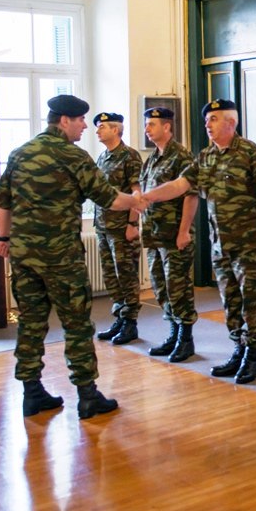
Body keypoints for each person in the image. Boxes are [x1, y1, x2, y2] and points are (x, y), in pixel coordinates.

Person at [0, 95, 142, 418]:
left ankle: (31, 392)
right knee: (76, 324)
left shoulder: (21, 153)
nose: (85, 126)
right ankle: (87, 395)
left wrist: (4, 238)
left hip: (25, 257)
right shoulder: (74, 156)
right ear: (64, 121)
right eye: (80, 120)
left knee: (30, 322)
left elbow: (1, 201)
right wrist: (137, 201)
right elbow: (108, 198)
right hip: (61, 257)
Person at [143, 100, 256, 385]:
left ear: (231, 122)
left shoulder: (250, 152)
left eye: (213, 119)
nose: (207, 124)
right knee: (230, 300)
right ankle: (238, 349)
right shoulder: (205, 157)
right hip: (220, 245)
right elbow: (181, 185)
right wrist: (147, 196)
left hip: (248, 244)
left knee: (251, 301)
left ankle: (252, 356)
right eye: (207, 120)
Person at [140, 107, 199, 363]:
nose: (147, 129)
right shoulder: (152, 158)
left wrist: (184, 230)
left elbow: (190, 196)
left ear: (167, 127)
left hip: (174, 235)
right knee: (160, 287)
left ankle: (186, 339)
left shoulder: (181, 156)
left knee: (178, 287)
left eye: (152, 124)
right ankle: (173, 333)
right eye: (146, 124)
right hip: (154, 235)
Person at [92, 112, 143, 346]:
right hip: (103, 226)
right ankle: (120, 318)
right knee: (110, 275)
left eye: (102, 127)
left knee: (126, 275)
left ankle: (130, 322)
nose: (97, 131)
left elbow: (137, 193)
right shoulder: (103, 157)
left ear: (115, 129)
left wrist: (132, 223)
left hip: (122, 227)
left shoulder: (129, 156)